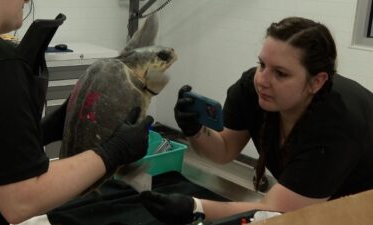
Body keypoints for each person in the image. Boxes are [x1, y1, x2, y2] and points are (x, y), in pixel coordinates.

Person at [139, 16, 373, 224]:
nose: (263, 79)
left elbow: (275, 212)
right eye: (262, 65)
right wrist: (195, 130)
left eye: (280, 73)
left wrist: (196, 208)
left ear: (316, 82)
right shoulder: (253, 90)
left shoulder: (336, 126)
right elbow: (225, 150)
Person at [0, 0, 154, 224]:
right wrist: (113, 152)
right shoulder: (4, 62)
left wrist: (43, 131)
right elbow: (19, 201)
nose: (26, 1)